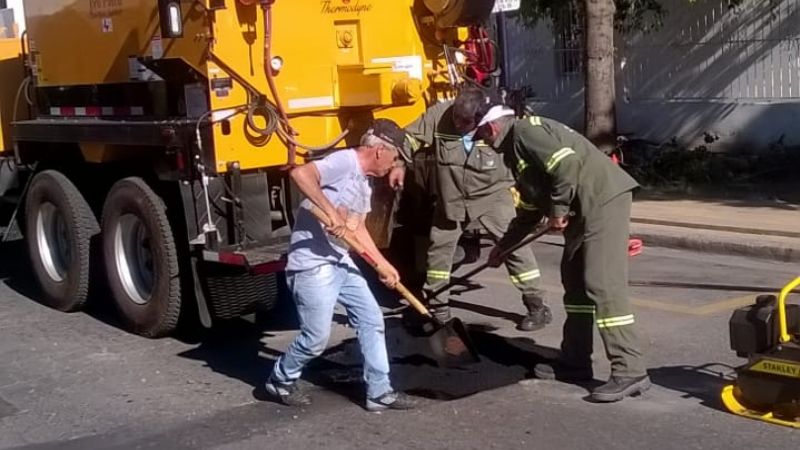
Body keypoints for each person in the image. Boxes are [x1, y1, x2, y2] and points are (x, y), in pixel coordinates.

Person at [451, 89, 650, 402]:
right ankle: (575, 362)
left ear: (490, 128)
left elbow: (567, 166)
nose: (483, 143)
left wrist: (557, 211)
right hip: (581, 209)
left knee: (601, 284)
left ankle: (629, 369)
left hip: (601, 201)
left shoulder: (524, 133)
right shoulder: (515, 152)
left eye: (480, 136)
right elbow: (529, 210)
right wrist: (503, 246)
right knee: (574, 284)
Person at [265, 119, 417, 411]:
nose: (394, 164)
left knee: (372, 318)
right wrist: (329, 210)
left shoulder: (364, 183)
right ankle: (280, 380)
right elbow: (301, 174)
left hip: (340, 261)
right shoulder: (344, 161)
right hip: (312, 266)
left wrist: (383, 265)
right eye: (395, 156)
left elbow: (357, 229)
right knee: (315, 339)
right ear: (379, 151)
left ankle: (379, 391)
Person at [389, 91, 551, 331]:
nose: (457, 124)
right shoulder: (440, 115)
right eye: (455, 118)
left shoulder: (500, 124)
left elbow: (524, 158)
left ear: (482, 118)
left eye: (464, 122)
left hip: (492, 196)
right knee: (438, 254)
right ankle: (438, 310)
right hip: (452, 197)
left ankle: (536, 305)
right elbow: (411, 137)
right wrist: (399, 163)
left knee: (515, 247)